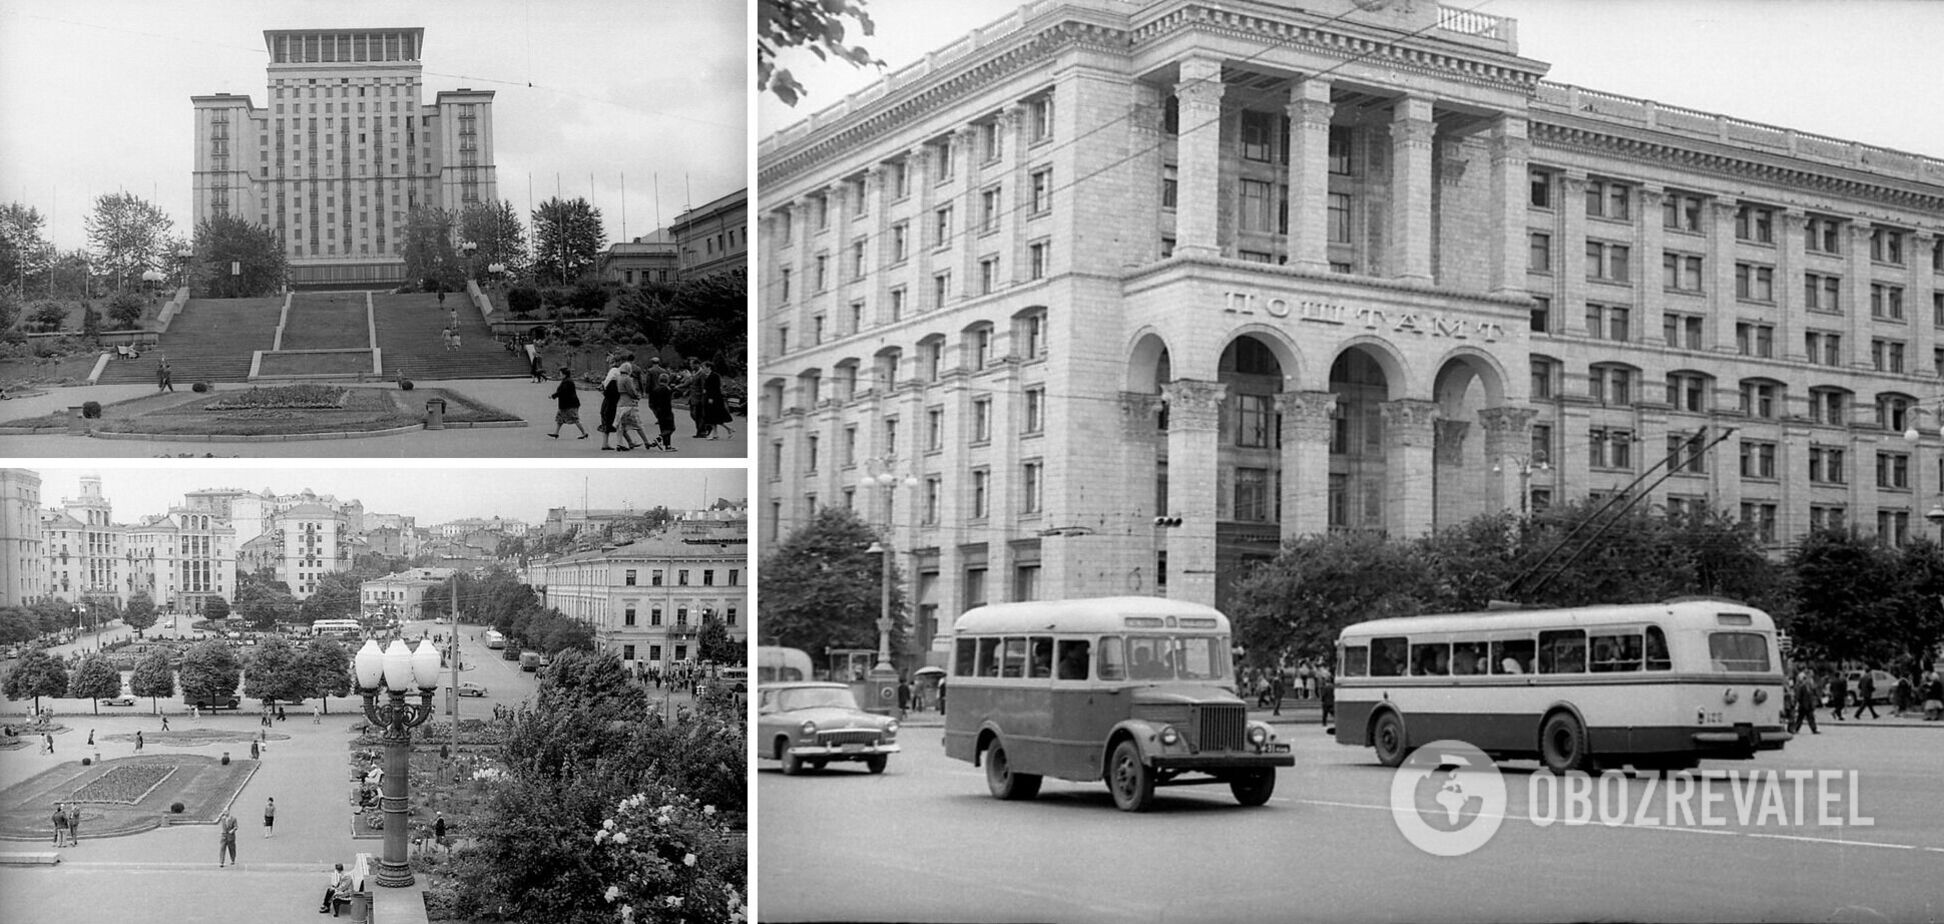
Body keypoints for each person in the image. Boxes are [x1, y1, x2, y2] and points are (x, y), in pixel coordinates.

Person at [613, 363, 650, 451]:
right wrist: (637, 396)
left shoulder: (618, 378)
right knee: (637, 424)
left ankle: (621, 443)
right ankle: (646, 442)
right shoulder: (628, 379)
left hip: (620, 403)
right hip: (629, 403)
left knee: (620, 425)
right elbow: (631, 391)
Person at [547, 367, 590, 440]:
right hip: (565, 404)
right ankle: (556, 433)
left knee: (575, 418)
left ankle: (584, 433)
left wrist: (553, 396)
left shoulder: (567, 381)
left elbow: (562, 392)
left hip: (570, 404)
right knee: (559, 418)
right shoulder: (566, 380)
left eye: (560, 372)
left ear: (564, 374)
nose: (559, 374)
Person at [647, 371, 678, 452]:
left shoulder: (655, 390)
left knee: (664, 428)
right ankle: (659, 438)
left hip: (659, 412)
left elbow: (651, 403)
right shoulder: (667, 390)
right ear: (667, 380)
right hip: (666, 411)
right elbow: (669, 400)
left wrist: (655, 411)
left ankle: (667, 445)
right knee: (671, 428)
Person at [597, 355, 623, 450]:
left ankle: (605, 443)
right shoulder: (616, 372)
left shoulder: (612, 372)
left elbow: (604, 386)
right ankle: (624, 443)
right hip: (612, 401)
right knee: (616, 421)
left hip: (607, 401)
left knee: (607, 421)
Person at [1790, 668, 1821, 735]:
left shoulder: (1808, 687)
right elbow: (1798, 696)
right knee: (1800, 718)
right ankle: (1796, 729)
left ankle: (1813, 729)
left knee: (1810, 718)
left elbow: (1811, 695)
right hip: (1803, 705)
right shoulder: (1802, 687)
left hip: (1808, 705)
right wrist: (1796, 703)